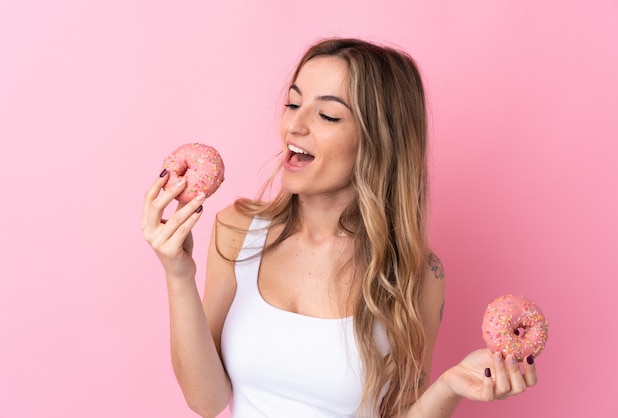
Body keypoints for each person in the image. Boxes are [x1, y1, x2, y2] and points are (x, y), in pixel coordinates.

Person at [142, 38, 538, 418]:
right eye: (292, 103)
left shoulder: (417, 273)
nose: (293, 126)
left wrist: (449, 386)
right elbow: (206, 401)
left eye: (327, 115)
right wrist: (178, 275)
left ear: (378, 140)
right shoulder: (237, 230)